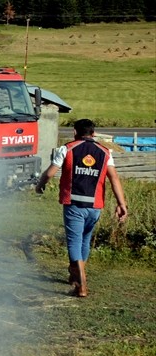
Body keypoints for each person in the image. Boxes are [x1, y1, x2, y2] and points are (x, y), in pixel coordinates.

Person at [34, 119, 127, 298]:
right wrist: (121, 204)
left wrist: (40, 185)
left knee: (74, 242)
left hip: (74, 204)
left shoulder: (67, 149)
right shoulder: (105, 152)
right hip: (95, 206)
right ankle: (76, 274)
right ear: (93, 134)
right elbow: (114, 178)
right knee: (85, 240)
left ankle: (81, 282)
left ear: (75, 132)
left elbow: (50, 173)